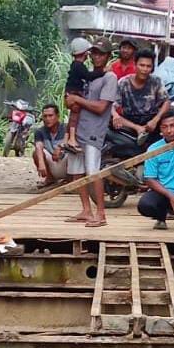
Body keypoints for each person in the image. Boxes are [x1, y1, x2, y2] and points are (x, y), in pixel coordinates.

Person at [63, 38, 118, 228]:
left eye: (101, 53)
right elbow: (69, 101)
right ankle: (86, 210)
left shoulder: (109, 78)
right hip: (78, 131)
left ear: (108, 56)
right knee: (77, 173)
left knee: (93, 172)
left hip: (94, 132)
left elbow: (101, 107)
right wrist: (71, 100)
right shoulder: (88, 75)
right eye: (94, 53)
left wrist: (77, 99)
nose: (96, 56)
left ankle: (100, 213)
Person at [113, 49, 170, 148]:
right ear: (135, 65)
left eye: (148, 66)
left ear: (152, 68)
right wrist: (115, 115)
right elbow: (111, 105)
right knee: (112, 122)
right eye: (142, 65)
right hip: (129, 122)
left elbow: (166, 102)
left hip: (151, 122)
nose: (145, 69)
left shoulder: (156, 81)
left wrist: (155, 120)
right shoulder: (123, 82)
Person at [63, 37, 103, 153]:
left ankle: (67, 139)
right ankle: (71, 139)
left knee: (72, 117)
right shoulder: (79, 66)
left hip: (70, 92)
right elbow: (88, 76)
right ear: (85, 53)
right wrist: (102, 72)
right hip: (74, 93)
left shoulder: (75, 65)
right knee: (75, 117)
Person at [32, 104, 69, 186]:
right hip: (51, 163)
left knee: (73, 154)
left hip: (65, 161)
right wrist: (41, 163)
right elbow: (38, 146)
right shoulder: (39, 131)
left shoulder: (66, 128)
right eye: (45, 116)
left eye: (50, 116)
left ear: (57, 116)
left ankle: (70, 179)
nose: (47, 119)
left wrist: (61, 148)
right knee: (36, 153)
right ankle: (50, 178)